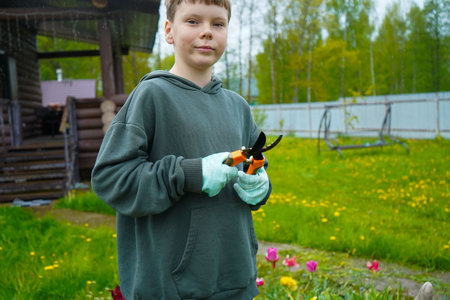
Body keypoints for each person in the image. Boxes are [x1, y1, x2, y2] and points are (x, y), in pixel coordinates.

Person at [91, 0, 272, 299]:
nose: (207, 32)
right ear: (169, 31)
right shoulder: (152, 96)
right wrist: (189, 174)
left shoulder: (238, 107)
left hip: (236, 280)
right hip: (170, 287)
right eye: (193, 21)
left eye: (218, 23)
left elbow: (255, 167)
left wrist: (260, 186)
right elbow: (111, 178)